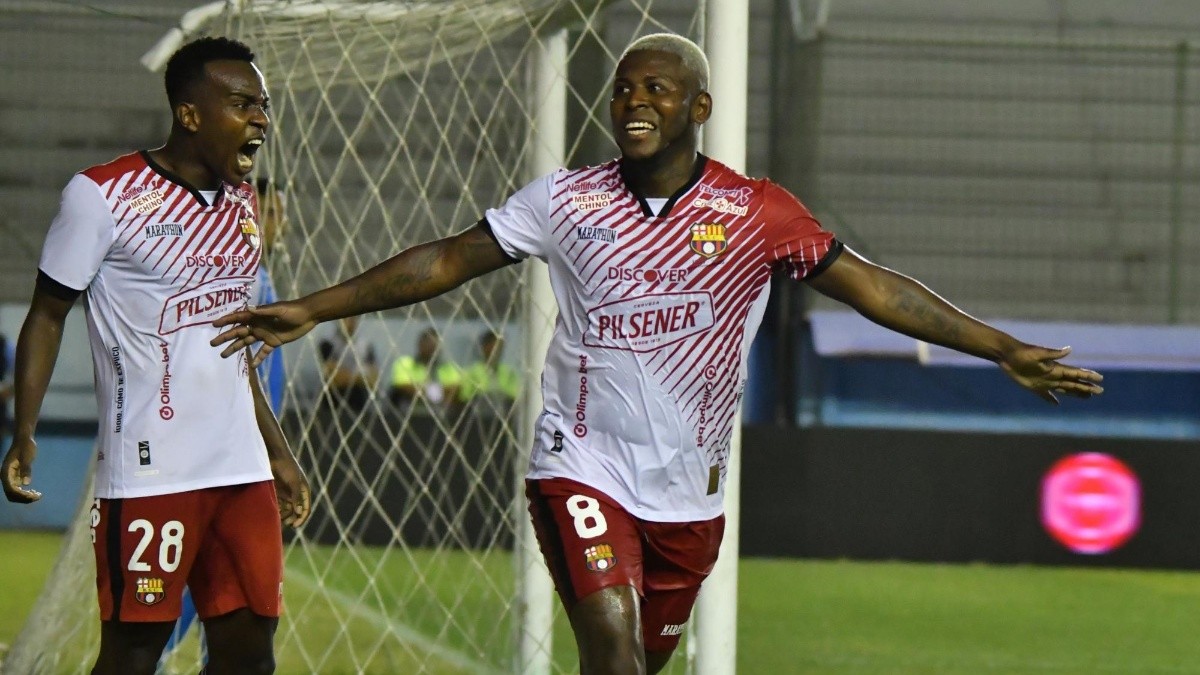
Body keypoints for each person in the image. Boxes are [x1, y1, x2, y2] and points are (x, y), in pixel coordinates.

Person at [210, 33, 1103, 674]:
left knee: (636, 658)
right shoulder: (569, 198)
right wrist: (314, 308)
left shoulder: (758, 212)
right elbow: (448, 257)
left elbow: (877, 289)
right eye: (624, 90)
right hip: (580, 463)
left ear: (698, 108)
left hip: (689, 497)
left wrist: (1001, 348)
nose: (634, 102)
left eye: (656, 91)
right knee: (609, 644)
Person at [1, 37, 311, 675]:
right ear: (190, 114)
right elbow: (48, 315)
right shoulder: (102, 196)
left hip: (241, 472)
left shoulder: (246, 209)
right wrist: (23, 432)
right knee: (135, 654)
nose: (260, 118)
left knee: (251, 655)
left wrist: (276, 450)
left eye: (264, 105)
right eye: (242, 103)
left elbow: (230, 348)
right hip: (150, 473)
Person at [160, 176, 291, 668]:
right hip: (213, 465)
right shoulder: (237, 278)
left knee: (234, 611)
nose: (280, 224)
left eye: (279, 213)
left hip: (245, 462)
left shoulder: (258, 276)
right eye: (271, 212)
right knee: (187, 605)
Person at [388, 326, 459, 411]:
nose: (433, 349)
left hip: (441, 412)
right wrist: (438, 392)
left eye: (436, 345)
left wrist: (422, 390)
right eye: (430, 344)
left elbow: (454, 389)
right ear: (420, 344)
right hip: (408, 411)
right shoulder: (404, 363)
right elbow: (405, 387)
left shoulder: (448, 367)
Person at [317, 315, 378, 412]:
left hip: (359, 404)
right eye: (347, 318)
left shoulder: (366, 346)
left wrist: (347, 376)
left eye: (354, 318)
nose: (351, 322)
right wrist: (360, 377)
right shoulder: (327, 343)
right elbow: (334, 379)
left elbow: (373, 381)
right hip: (332, 404)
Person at [452, 330, 519, 415]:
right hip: (478, 419)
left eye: (500, 347)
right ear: (485, 347)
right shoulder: (472, 372)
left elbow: (514, 396)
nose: (497, 351)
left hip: (504, 416)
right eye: (494, 346)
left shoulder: (509, 373)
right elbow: (464, 398)